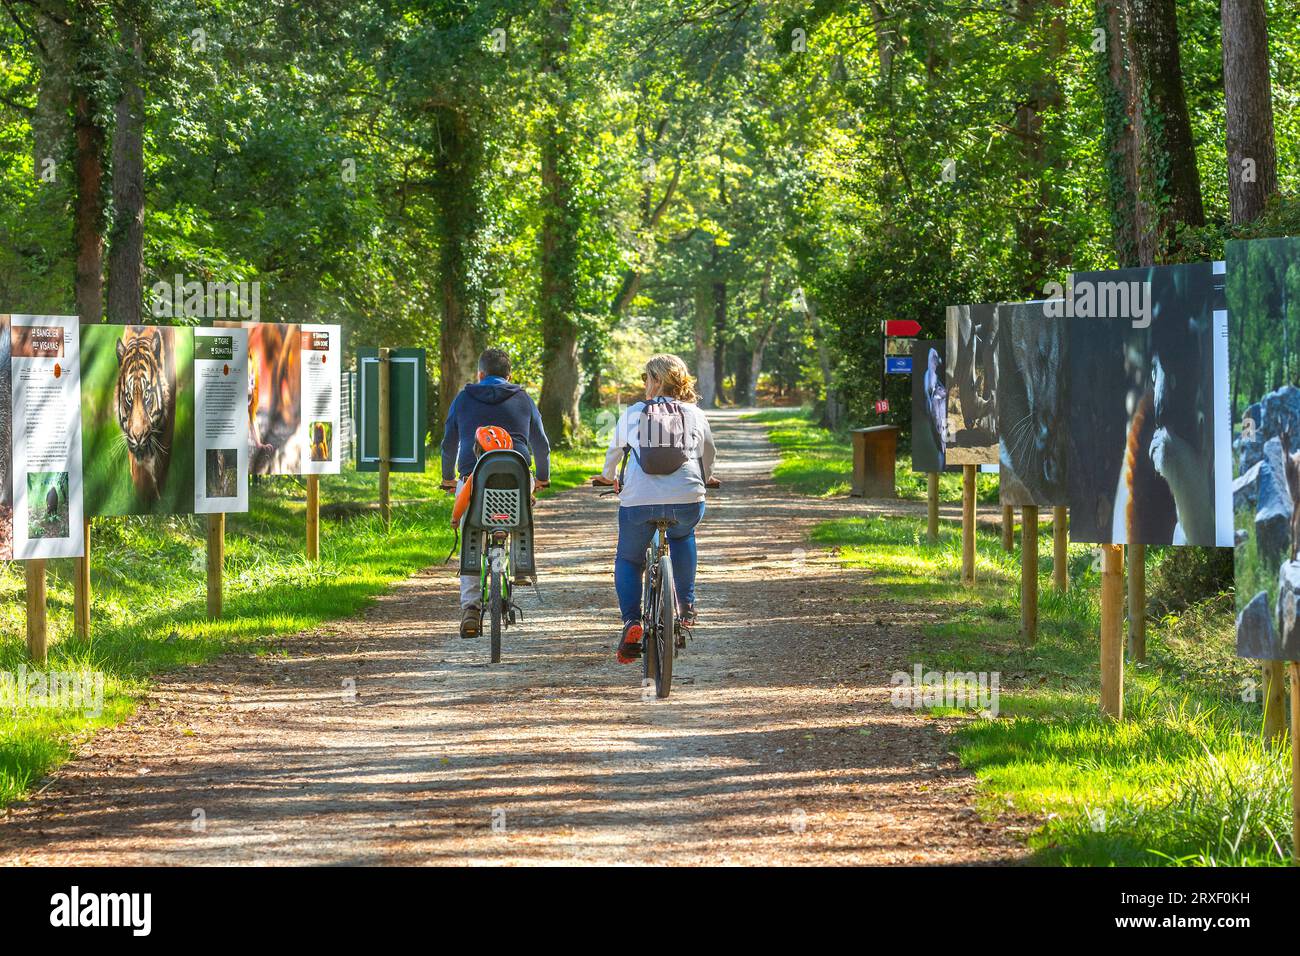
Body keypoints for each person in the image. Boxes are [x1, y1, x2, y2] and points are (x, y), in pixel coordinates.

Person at [592, 354, 718, 664]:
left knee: (630, 558)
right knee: (682, 537)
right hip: (687, 499)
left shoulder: (634, 413)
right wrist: (707, 477)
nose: (646, 385)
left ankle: (632, 622)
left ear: (656, 381)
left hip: (639, 502)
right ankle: (686, 607)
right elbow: (708, 452)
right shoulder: (694, 413)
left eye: (648, 379)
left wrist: (608, 477)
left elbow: (614, 452)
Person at [441, 348, 550, 638]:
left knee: (470, 533)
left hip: (473, 477)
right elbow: (541, 442)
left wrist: (448, 477)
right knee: (522, 512)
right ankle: (522, 566)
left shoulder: (464, 398)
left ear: (479, 375)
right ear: (509, 376)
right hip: (516, 476)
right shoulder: (523, 397)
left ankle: (471, 609)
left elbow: (448, 441)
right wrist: (542, 477)